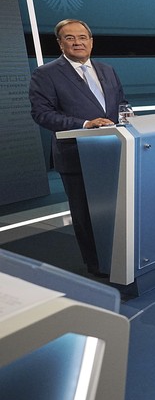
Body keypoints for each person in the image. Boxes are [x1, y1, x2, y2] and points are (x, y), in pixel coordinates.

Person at [29, 19, 126, 278]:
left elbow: (121, 104)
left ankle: (123, 257)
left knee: (119, 210)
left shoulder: (108, 70)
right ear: (60, 43)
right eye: (70, 38)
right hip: (77, 155)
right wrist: (84, 124)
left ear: (91, 41)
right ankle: (99, 265)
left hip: (115, 152)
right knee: (87, 215)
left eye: (82, 37)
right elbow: (42, 114)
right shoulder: (46, 73)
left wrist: (128, 118)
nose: (77, 42)